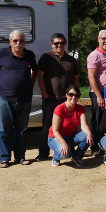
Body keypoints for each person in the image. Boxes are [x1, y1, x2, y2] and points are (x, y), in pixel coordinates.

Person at [0, 30, 37, 168]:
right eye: (15, 41)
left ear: (25, 42)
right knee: (4, 129)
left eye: (21, 41)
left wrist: (30, 87)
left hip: (24, 99)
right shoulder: (2, 53)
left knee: (22, 129)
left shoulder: (30, 55)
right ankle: (4, 158)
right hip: (6, 98)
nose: (18, 43)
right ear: (10, 42)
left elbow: (34, 70)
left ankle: (20, 157)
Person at [35, 33, 79, 162]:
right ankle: (43, 152)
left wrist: (75, 96)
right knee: (47, 127)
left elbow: (76, 78)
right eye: (56, 43)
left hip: (67, 100)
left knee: (69, 126)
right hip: (51, 99)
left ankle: (70, 152)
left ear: (65, 44)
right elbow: (40, 77)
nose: (59, 45)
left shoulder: (72, 60)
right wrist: (45, 95)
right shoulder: (46, 57)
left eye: (61, 43)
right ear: (52, 44)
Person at [48, 85, 93, 167]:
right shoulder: (59, 109)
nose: (73, 97)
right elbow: (55, 130)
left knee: (87, 136)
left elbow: (84, 126)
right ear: (66, 95)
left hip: (71, 136)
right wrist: (63, 143)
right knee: (66, 154)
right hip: (56, 137)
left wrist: (89, 134)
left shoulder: (80, 108)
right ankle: (56, 157)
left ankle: (77, 157)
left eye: (76, 95)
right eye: (71, 94)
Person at [87, 30, 106, 154]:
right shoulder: (94, 55)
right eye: (103, 38)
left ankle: (104, 145)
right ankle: (94, 147)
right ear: (98, 39)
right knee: (97, 120)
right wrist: (98, 95)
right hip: (99, 93)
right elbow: (91, 77)